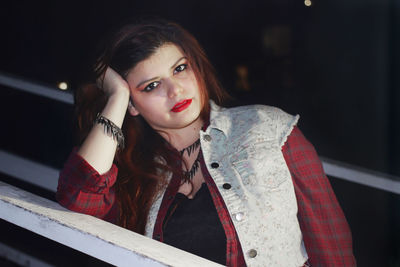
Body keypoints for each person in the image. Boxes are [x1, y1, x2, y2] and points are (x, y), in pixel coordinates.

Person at [56, 19, 356, 267]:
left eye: (180, 68)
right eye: (152, 85)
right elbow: (78, 198)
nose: (175, 90)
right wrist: (117, 97)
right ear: (133, 106)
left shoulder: (269, 128)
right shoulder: (133, 175)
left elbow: (331, 246)